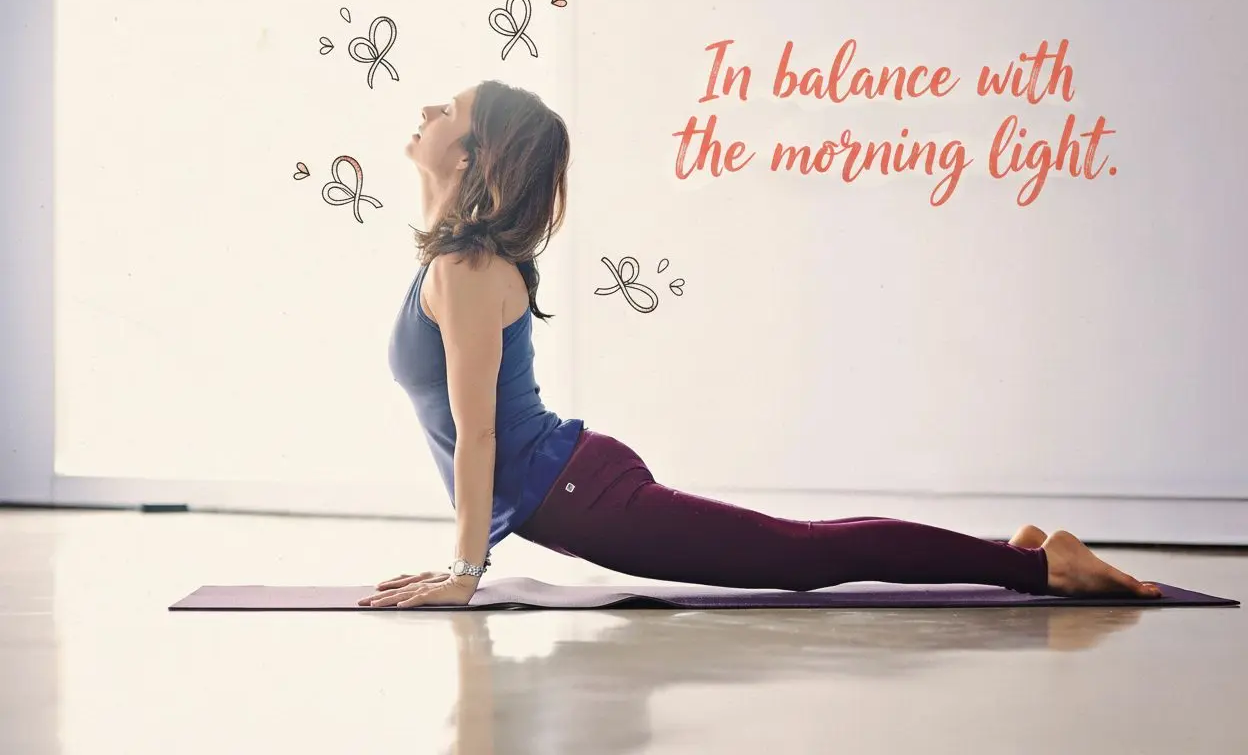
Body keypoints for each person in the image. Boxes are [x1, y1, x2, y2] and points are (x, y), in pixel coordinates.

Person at [359, 80, 1163, 609]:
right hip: (572, 484)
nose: (428, 109)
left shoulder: (466, 269)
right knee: (795, 553)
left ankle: (1040, 566)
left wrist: (465, 575)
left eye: (447, 111)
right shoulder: (451, 261)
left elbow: (480, 435)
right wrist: (464, 564)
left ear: (468, 157)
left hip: (579, 494)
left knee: (797, 559)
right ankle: (1009, 553)